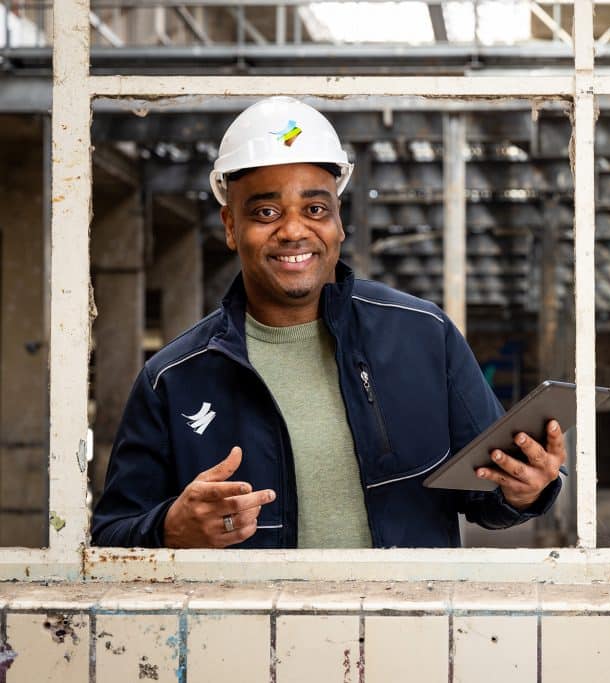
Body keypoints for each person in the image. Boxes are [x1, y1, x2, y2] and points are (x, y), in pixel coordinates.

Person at [91, 96, 565, 549]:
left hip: (404, 608)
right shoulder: (174, 378)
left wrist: (525, 489)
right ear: (231, 226)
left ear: (338, 222)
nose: (294, 230)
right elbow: (110, 535)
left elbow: (487, 493)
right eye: (265, 212)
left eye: (315, 209)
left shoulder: (423, 335)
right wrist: (170, 528)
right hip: (251, 611)